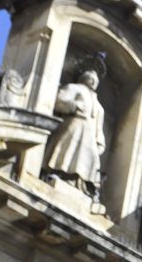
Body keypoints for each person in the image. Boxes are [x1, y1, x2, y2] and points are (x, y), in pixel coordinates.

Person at [43, 67, 106, 198]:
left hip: (89, 135)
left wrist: (100, 141)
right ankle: (59, 173)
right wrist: (74, 106)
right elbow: (59, 100)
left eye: (95, 79)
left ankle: (79, 184)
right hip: (75, 124)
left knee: (90, 159)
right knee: (67, 150)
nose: (93, 80)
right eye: (90, 76)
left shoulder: (99, 106)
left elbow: (98, 127)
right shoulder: (74, 88)